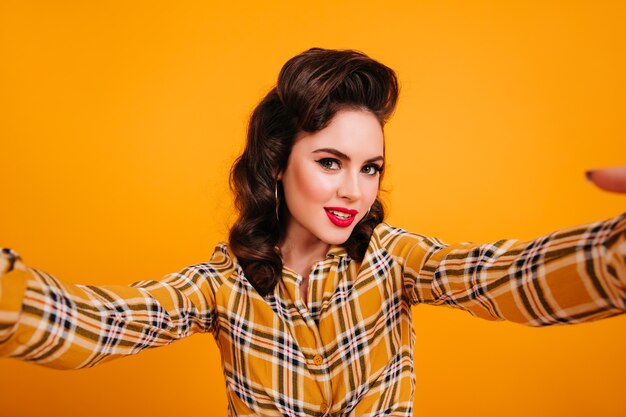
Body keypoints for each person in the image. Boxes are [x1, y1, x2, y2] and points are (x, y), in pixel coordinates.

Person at [1, 48, 625, 417]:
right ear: (277, 162)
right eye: (330, 162)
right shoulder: (223, 286)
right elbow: (101, 323)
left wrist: (617, 255)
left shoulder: (393, 261)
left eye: (370, 167)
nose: (354, 190)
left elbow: (502, 278)